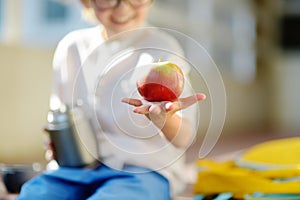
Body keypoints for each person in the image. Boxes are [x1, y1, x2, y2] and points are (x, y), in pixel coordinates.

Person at [16, 0, 206, 199]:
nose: (122, 8)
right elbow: (60, 116)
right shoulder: (71, 48)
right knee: (34, 194)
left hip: (143, 171)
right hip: (75, 170)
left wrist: (164, 119)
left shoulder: (163, 48)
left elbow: (183, 137)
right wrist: (57, 141)